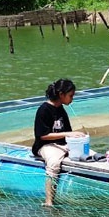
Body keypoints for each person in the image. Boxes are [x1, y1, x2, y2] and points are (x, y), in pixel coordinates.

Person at [32, 79, 82, 207]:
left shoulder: (61, 109)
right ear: (61, 94)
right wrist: (67, 134)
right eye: (70, 96)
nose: (72, 99)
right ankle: (49, 201)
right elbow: (42, 135)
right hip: (46, 145)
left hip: (62, 144)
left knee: (87, 155)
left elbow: (68, 132)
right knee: (54, 163)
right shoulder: (43, 110)